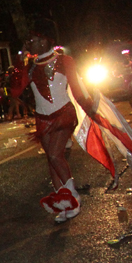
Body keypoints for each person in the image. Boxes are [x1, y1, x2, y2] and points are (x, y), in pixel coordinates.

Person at [10, 19, 94, 222]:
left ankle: (74, 198)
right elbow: (15, 90)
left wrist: (90, 110)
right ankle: (62, 203)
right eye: (28, 40)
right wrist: (20, 61)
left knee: (56, 155)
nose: (29, 43)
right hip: (42, 119)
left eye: (33, 39)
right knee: (51, 159)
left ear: (45, 40)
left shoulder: (65, 61)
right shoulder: (30, 68)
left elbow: (76, 88)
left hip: (63, 115)